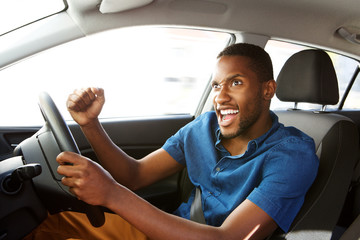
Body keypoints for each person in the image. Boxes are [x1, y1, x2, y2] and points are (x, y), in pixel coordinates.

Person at [26, 43, 319, 240]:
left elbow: (230, 237)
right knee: (52, 225)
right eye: (217, 84)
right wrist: (90, 124)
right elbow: (134, 175)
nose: (220, 96)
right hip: (168, 229)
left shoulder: (293, 155)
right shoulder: (203, 128)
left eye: (236, 83)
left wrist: (111, 194)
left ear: (268, 90)